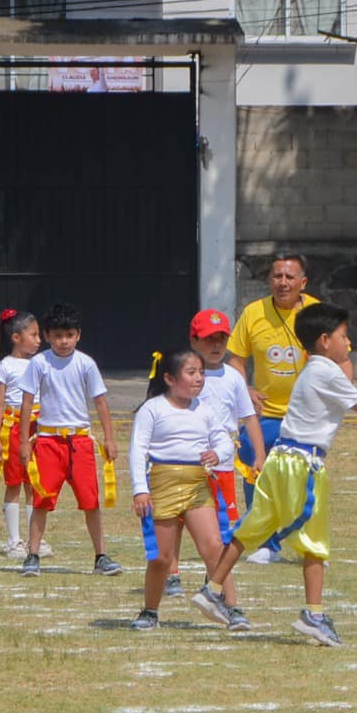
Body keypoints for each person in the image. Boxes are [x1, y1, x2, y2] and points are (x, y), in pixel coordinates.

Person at [191, 302, 357, 646]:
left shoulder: (316, 369)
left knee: (250, 528)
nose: (349, 342)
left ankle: (212, 589)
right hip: (302, 466)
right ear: (325, 340)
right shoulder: (326, 370)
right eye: (343, 336)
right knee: (315, 544)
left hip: (281, 460)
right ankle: (313, 614)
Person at [130, 349, 244, 631]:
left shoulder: (205, 410)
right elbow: (137, 450)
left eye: (201, 372)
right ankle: (150, 611)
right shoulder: (152, 409)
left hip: (198, 485)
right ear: (169, 378)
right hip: (162, 483)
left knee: (215, 547)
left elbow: (225, 440)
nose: (199, 379)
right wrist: (139, 490)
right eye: (191, 373)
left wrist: (218, 453)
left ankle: (232, 607)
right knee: (161, 557)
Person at [160, 309, 266, 598]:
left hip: (222, 465)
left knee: (219, 526)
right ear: (194, 341)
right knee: (178, 520)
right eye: (208, 339)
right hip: (186, 462)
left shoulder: (233, 378)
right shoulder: (185, 374)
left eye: (221, 339)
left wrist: (259, 454)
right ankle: (173, 573)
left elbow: (249, 417)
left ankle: (213, 577)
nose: (216, 345)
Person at [226, 252, 320, 564]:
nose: (282, 283)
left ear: (302, 282)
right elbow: (236, 360)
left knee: (304, 482)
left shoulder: (318, 313)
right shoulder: (254, 313)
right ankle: (266, 544)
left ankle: (308, 545)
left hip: (304, 417)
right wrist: (246, 390)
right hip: (263, 416)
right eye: (277, 276)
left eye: (289, 277)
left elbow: (339, 358)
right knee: (257, 474)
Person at [17, 302, 122, 577]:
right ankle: (32, 554)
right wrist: (25, 441)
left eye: (69, 335)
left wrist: (109, 438)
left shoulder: (86, 364)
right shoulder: (39, 363)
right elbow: (27, 402)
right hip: (48, 442)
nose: (63, 342)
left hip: (80, 442)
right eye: (57, 336)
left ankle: (100, 556)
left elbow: (100, 402)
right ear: (48, 336)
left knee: (91, 500)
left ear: (78, 335)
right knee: (41, 500)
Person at [0, 308, 52, 561]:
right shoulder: (5, 366)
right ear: (16, 337)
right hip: (14, 429)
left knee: (35, 484)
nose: (39, 340)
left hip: (39, 428)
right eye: (34, 335)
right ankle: (14, 540)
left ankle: (35, 538)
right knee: (14, 483)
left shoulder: (43, 363)